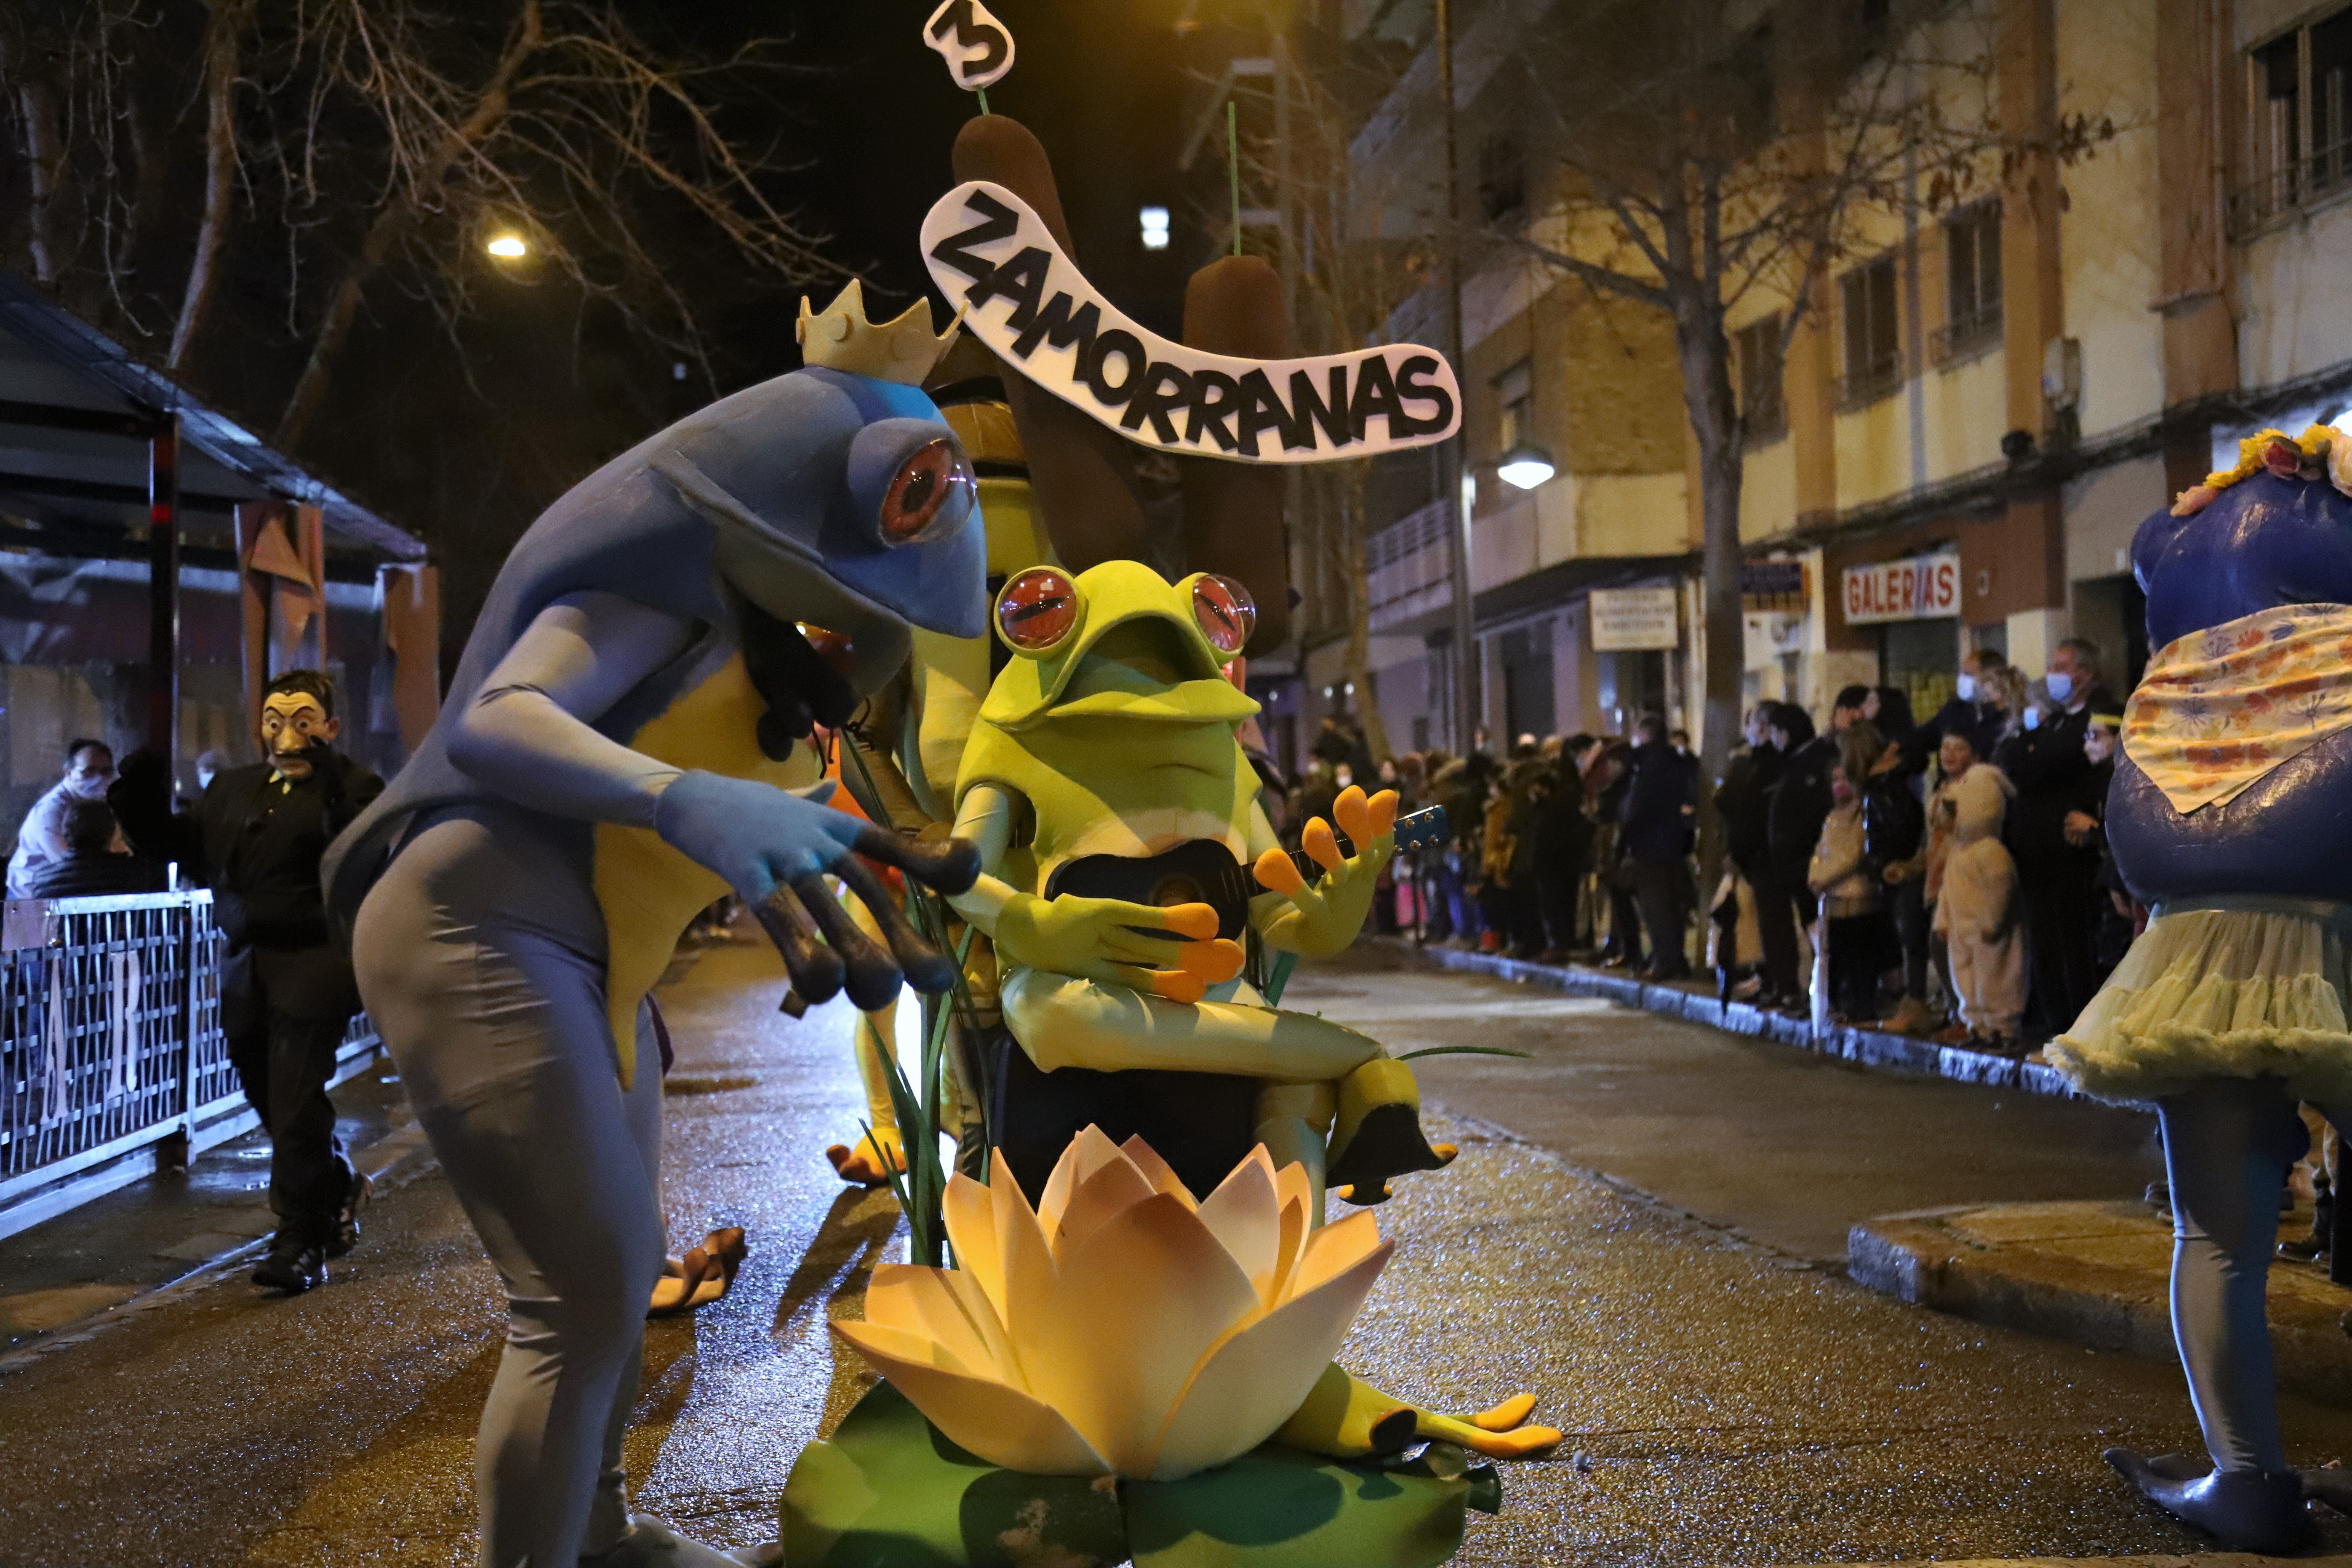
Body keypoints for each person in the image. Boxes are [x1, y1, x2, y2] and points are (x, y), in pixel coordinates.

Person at [111, 671, 382, 1294]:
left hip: (316, 962)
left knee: (292, 1097)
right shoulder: (233, 789)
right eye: (274, 719)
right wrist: (142, 805)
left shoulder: (357, 788)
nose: (286, 733)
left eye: (304, 720)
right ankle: (336, 1185)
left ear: (330, 728)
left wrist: (334, 783)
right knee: (268, 1093)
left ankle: (301, 1239)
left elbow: (365, 851)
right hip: (244, 964)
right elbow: (184, 845)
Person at [1995, 637, 2117, 1038]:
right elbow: (2012, 759)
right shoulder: (2057, 720)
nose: (2054, 674)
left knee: (2073, 945)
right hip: (2036, 854)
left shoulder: (2096, 719)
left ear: (2085, 673)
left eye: (2062, 666)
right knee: (2045, 945)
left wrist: (2033, 752)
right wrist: (2030, 748)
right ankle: (2054, 1027)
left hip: (2069, 854)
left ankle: (2078, 1029)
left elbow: (2043, 764)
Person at [1934, 756, 2025, 1050]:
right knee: (1965, 978)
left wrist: (1993, 920)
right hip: (1962, 931)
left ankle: (2002, 1024)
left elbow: (2001, 889)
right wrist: (1943, 919)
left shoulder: (1991, 853)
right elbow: (1947, 890)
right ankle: (1977, 1023)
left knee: (1997, 977)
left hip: (1988, 933)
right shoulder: (1958, 852)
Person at [1808, 722, 1889, 1021]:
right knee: (1839, 953)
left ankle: (1864, 1004)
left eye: (1845, 778)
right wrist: (1816, 878)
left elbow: (1857, 853)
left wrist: (1830, 878)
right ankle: (1844, 1003)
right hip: (1834, 898)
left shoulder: (1862, 813)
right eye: (1835, 779)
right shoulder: (1833, 817)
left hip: (1856, 893)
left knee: (1861, 954)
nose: (1839, 785)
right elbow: (1823, 851)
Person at [1620, 714, 1696, 979]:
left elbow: (1637, 808)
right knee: (1673, 905)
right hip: (1674, 843)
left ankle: (1666, 961)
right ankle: (1676, 959)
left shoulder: (1646, 766)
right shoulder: (1677, 763)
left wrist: (1627, 836)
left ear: (1644, 736)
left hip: (1649, 845)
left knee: (1656, 908)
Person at [7, 738, 115, 897]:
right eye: (88, 772)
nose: (98, 779)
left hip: (61, 891)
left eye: (105, 772)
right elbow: (67, 863)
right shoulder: (51, 811)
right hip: (30, 898)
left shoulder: (99, 804)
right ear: (69, 773)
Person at [23, 798, 165, 898]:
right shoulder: (139, 875)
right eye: (121, 838)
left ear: (67, 836)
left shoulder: (42, 881)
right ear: (110, 837)